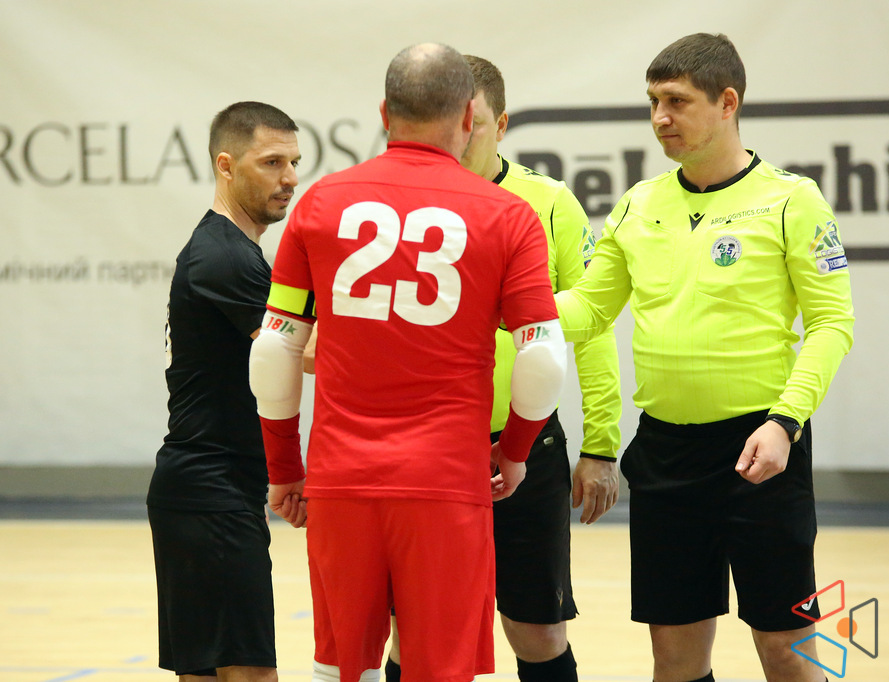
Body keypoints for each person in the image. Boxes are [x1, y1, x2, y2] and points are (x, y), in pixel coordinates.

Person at [248, 43, 566, 682]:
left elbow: (275, 346)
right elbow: (543, 357)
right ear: (470, 116)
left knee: (342, 665)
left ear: (385, 113)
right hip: (447, 481)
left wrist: (284, 467)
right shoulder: (508, 215)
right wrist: (515, 452)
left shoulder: (321, 202)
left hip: (340, 478)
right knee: (438, 667)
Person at [555, 33, 854, 682]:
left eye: (677, 101)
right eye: (653, 102)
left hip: (761, 450)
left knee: (785, 648)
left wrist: (786, 422)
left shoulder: (792, 200)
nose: (660, 117)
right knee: (675, 655)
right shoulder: (638, 204)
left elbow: (832, 324)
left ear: (727, 102)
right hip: (665, 456)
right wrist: (502, 308)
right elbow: (588, 310)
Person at [379, 54, 622, 682]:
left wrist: (600, 444)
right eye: (448, 121)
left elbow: (592, 326)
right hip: (426, 447)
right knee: (416, 629)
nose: (458, 136)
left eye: (474, 123)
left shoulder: (549, 204)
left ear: (502, 124)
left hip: (527, 446)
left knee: (537, 630)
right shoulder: (397, 206)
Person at [147, 101, 301, 682]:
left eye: (294, 162)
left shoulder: (230, 250)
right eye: (272, 162)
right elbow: (304, 351)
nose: (290, 178)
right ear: (226, 165)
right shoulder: (224, 256)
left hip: (207, 490)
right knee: (250, 674)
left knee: (209, 675)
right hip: (210, 494)